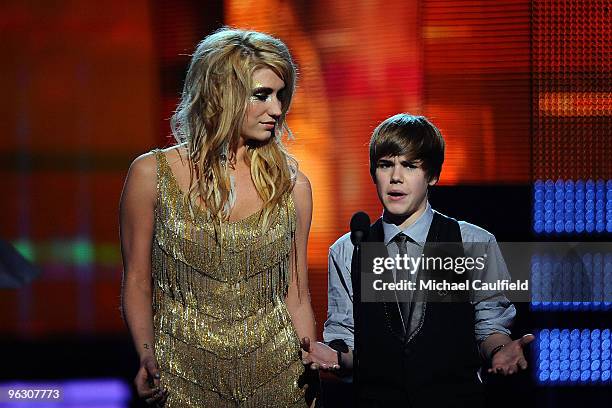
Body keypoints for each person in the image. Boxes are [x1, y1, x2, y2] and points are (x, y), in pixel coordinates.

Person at [120, 27, 321, 407]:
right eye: (261, 95)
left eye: (280, 96)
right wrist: (146, 355)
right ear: (220, 94)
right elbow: (137, 282)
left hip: (278, 377)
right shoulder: (151, 175)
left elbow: (297, 294)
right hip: (180, 376)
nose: (277, 110)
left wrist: (310, 377)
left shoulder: (293, 186)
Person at [303, 113, 534, 406]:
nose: (395, 177)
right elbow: (346, 340)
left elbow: (489, 327)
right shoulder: (347, 250)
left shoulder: (473, 242)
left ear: (433, 175)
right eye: (386, 165)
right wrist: (334, 357)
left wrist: (500, 349)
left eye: (409, 166)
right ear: (374, 172)